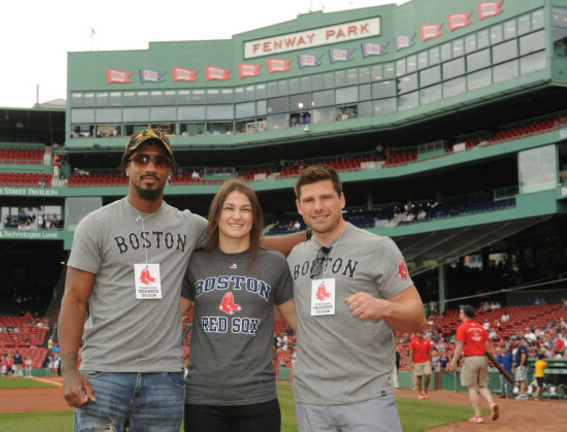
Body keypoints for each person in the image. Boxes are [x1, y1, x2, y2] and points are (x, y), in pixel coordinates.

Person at [58, 129, 304, 432]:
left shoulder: (188, 226)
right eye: (142, 159)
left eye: (160, 161)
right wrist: (69, 369)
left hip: (164, 377)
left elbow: (248, 241)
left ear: (169, 171)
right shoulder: (96, 225)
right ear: (127, 166)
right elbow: (74, 298)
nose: (151, 167)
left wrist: (309, 235)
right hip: (105, 372)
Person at [286, 164, 426, 432]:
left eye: (326, 197)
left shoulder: (378, 247)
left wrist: (384, 307)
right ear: (299, 206)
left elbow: (417, 317)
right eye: (309, 200)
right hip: (310, 400)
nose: (318, 206)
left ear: (341, 199)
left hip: (367, 396)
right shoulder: (295, 256)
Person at [179, 179, 297, 432]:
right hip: (202, 398)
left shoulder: (275, 263)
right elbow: (168, 314)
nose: (237, 216)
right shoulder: (195, 262)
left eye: (245, 209)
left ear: (255, 217)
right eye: (229, 208)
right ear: (216, 214)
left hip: (258, 398)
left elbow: (300, 323)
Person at [448, 305, 499, 424]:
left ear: (465, 314)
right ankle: (491, 403)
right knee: (482, 385)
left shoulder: (462, 328)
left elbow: (459, 346)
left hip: (471, 359)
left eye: (461, 312)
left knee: (472, 387)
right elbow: (487, 346)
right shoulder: (481, 327)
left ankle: (478, 415)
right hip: (482, 358)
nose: (459, 314)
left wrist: (453, 362)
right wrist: (488, 358)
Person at [409, 331, 433, 399]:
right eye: (419, 332)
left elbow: (429, 352)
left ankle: (425, 390)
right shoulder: (413, 342)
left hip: (426, 361)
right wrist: (412, 362)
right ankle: (419, 393)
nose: (420, 334)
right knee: (419, 377)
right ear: (416, 334)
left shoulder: (427, 341)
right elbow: (411, 353)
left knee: (428, 375)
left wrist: (431, 361)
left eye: (421, 333)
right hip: (417, 362)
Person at [513, 335, 530, 399]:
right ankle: (524, 393)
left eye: (516, 340)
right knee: (521, 380)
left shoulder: (522, 347)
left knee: (522, 380)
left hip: (522, 365)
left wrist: (521, 364)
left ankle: (522, 393)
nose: (515, 342)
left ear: (519, 340)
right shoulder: (519, 348)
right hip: (519, 365)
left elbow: (523, 356)